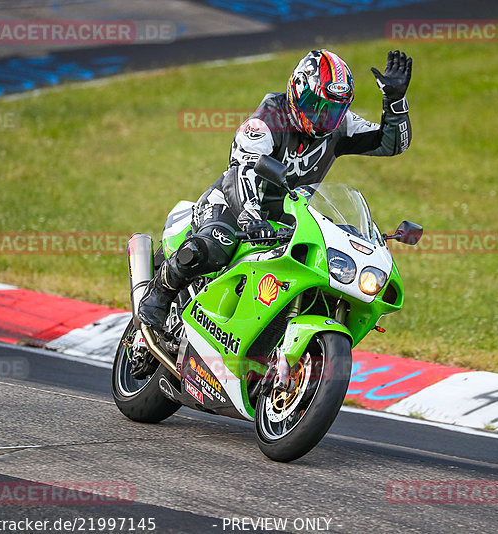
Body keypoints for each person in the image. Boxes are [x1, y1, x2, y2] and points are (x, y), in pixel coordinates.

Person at [139, 49, 413, 331]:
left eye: (331, 110)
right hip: (235, 206)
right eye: (315, 105)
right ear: (297, 90)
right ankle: (158, 296)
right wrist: (249, 216)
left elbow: (392, 144)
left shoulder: (340, 126)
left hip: (288, 218)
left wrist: (395, 101)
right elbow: (241, 171)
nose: (322, 117)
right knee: (213, 246)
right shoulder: (267, 121)